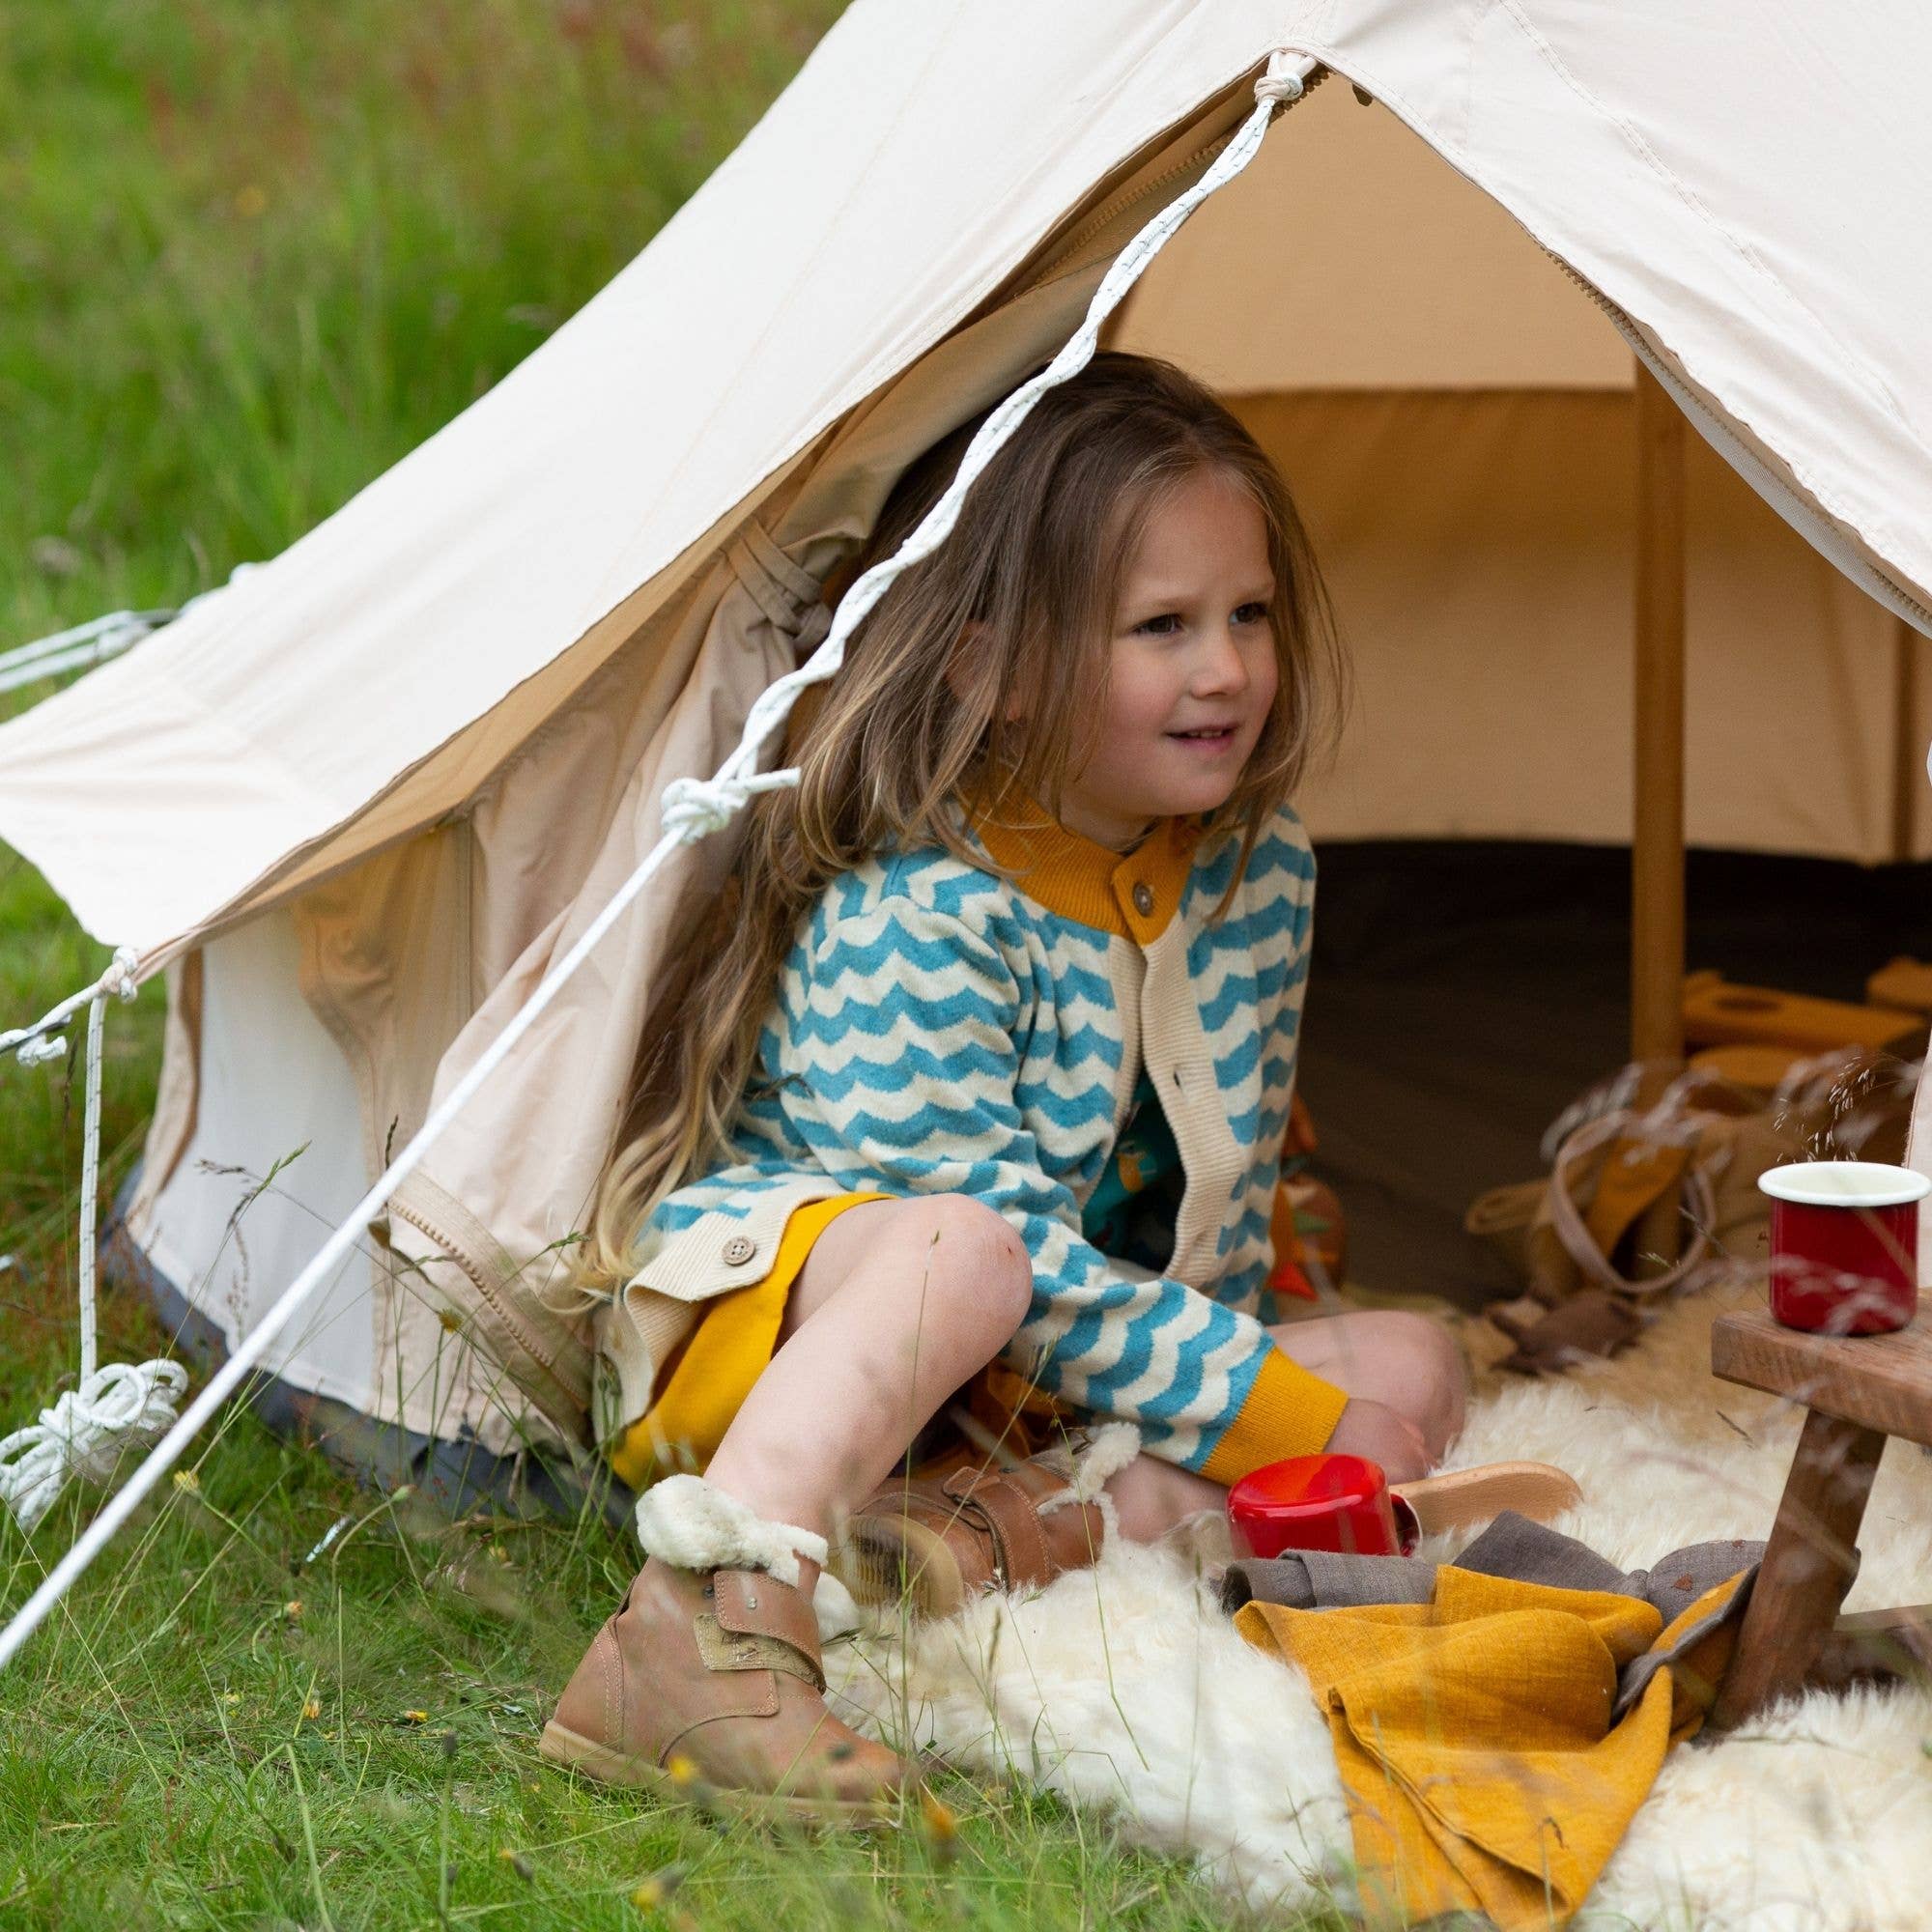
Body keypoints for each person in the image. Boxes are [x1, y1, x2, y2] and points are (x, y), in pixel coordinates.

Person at [539, 354, 1466, 1821]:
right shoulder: (919, 915)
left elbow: (1211, 1239)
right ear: (995, 664)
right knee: (964, 1252)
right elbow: (1013, 1268)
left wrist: (1298, 1396)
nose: (1223, 667)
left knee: (1410, 1367)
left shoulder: (1257, 871)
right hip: (789, 1356)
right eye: (1162, 626)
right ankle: (707, 1616)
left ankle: (971, 1540)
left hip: (1019, 1394)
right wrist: (1278, 1418)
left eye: (1248, 614)